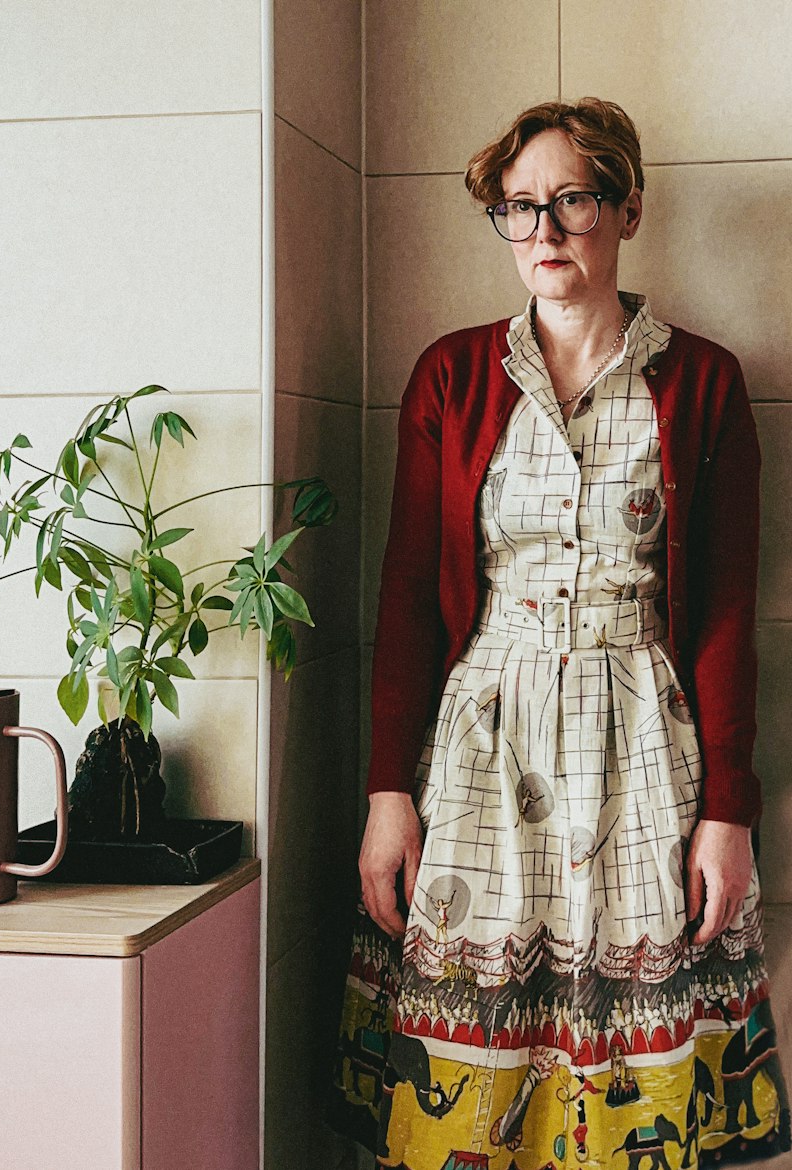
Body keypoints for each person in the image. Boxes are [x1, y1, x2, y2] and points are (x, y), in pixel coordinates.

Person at [329, 98, 791, 1169]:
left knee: (623, 1048)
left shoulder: (704, 380)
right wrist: (385, 793)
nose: (544, 229)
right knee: (478, 1060)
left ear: (626, 211)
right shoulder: (452, 375)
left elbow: (724, 609)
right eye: (519, 206)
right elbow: (405, 594)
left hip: (641, 743)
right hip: (483, 742)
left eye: (572, 201)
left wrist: (729, 811)